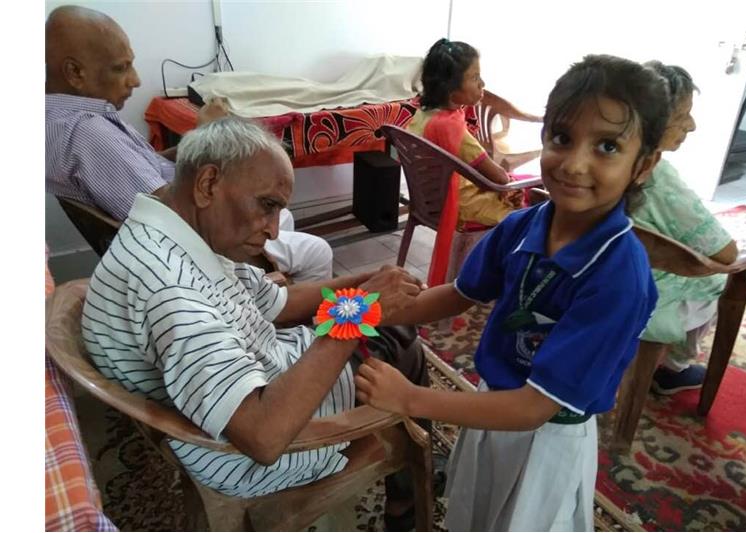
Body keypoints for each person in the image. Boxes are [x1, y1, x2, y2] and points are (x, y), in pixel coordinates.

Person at [355, 54, 668, 531]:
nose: (575, 164)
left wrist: (410, 398)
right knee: (472, 514)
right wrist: (365, 310)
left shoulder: (619, 278)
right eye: (562, 138)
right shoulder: (523, 225)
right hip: (488, 410)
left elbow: (532, 408)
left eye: (607, 147)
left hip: (544, 438)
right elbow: (457, 294)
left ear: (643, 165)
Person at [81, 117, 431, 524]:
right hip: (257, 448)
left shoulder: (175, 233)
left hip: (257, 379)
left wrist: (363, 284)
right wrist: (359, 309)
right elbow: (264, 437)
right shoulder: (170, 289)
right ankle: (407, 497)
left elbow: (279, 303)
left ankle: (406, 464)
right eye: (267, 205)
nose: (272, 230)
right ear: (208, 184)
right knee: (400, 344)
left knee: (386, 325)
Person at [45, 5, 333, 282]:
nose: (135, 80)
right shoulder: (88, 133)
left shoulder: (61, 119)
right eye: (121, 68)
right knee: (317, 251)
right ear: (75, 73)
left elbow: (146, 165)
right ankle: (289, 319)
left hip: (170, 236)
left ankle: (266, 287)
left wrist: (195, 138)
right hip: (194, 245)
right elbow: (172, 212)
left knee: (281, 216)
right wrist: (208, 134)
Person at [633, 60, 739, 394]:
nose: (691, 126)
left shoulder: (595, 164)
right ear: (652, 123)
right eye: (682, 116)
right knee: (722, 276)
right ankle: (674, 368)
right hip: (639, 292)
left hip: (593, 280)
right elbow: (726, 252)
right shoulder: (660, 182)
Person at [407, 38, 527, 286]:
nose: (482, 84)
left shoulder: (423, 114)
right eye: (475, 77)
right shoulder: (450, 126)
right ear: (452, 91)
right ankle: (507, 281)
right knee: (533, 203)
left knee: (521, 184)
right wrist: (511, 186)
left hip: (432, 201)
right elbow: (499, 178)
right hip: (461, 205)